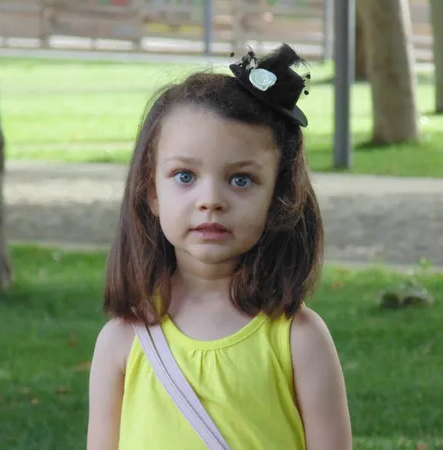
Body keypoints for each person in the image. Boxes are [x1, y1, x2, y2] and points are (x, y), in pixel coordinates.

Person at [87, 43, 352, 450]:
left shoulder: (300, 340)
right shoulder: (122, 341)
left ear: (278, 198)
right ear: (150, 192)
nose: (210, 200)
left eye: (241, 179)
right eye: (184, 176)